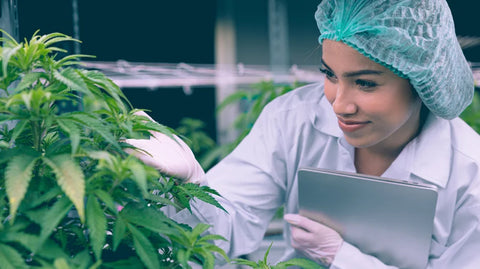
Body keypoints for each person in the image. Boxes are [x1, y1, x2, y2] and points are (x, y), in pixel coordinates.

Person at [127, 0, 480, 268]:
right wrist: (190, 185)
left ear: (423, 82)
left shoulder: (470, 173)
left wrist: (343, 257)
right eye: (330, 75)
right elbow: (223, 234)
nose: (339, 104)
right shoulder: (294, 119)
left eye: (366, 83)